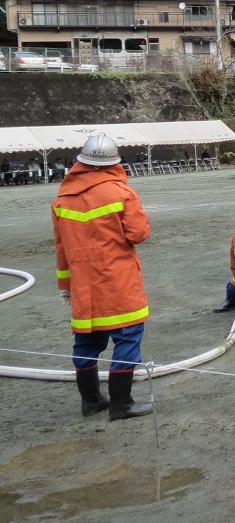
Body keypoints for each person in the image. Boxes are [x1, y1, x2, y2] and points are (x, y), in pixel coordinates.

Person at [52, 133, 153, 420]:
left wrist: (65, 286)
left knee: (86, 342)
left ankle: (92, 401)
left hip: (83, 287)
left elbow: (61, 250)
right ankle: (122, 404)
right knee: (128, 338)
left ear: (80, 162)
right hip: (117, 282)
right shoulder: (122, 193)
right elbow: (139, 234)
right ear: (114, 163)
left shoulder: (61, 200)